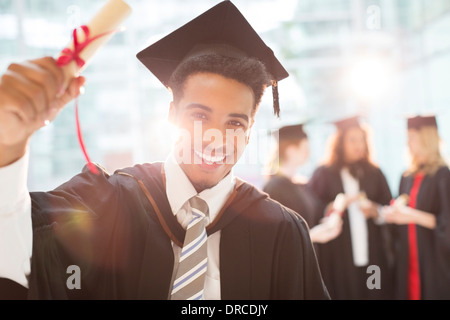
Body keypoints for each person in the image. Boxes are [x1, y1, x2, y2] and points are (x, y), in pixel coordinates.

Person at [0, 1, 329, 300]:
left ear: (250, 130)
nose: (215, 138)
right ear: (171, 114)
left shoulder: (282, 231)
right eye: (199, 116)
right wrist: (8, 145)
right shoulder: (105, 200)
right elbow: (15, 245)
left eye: (235, 124)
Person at [307, 116, 394, 300]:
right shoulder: (323, 174)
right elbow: (312, 209)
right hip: (339, 257)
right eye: (353, 140)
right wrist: (332, 207)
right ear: (340, 143)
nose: (358, 145)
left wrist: (375, 211)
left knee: (375, 291)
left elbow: (389, 208)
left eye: (362, 139)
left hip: (373, 256)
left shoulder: (375, 173)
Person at [383, 115, 450, 300]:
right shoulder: (406, 176)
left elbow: (447, 223)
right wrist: (393, 214)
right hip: (408, 258)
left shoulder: (443, 176)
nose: (408, 143)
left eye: (412, 137)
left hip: (433, 260)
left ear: (427, 139)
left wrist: (411, 215)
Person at [262, 123, 343, 244]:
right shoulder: (274, 188)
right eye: (305, 148)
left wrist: (330, 215)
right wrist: (312, 236)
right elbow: (276, 236)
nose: (308, 153)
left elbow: (311, 215)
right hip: (294, 260)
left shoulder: (301, 185)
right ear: (291, 151)